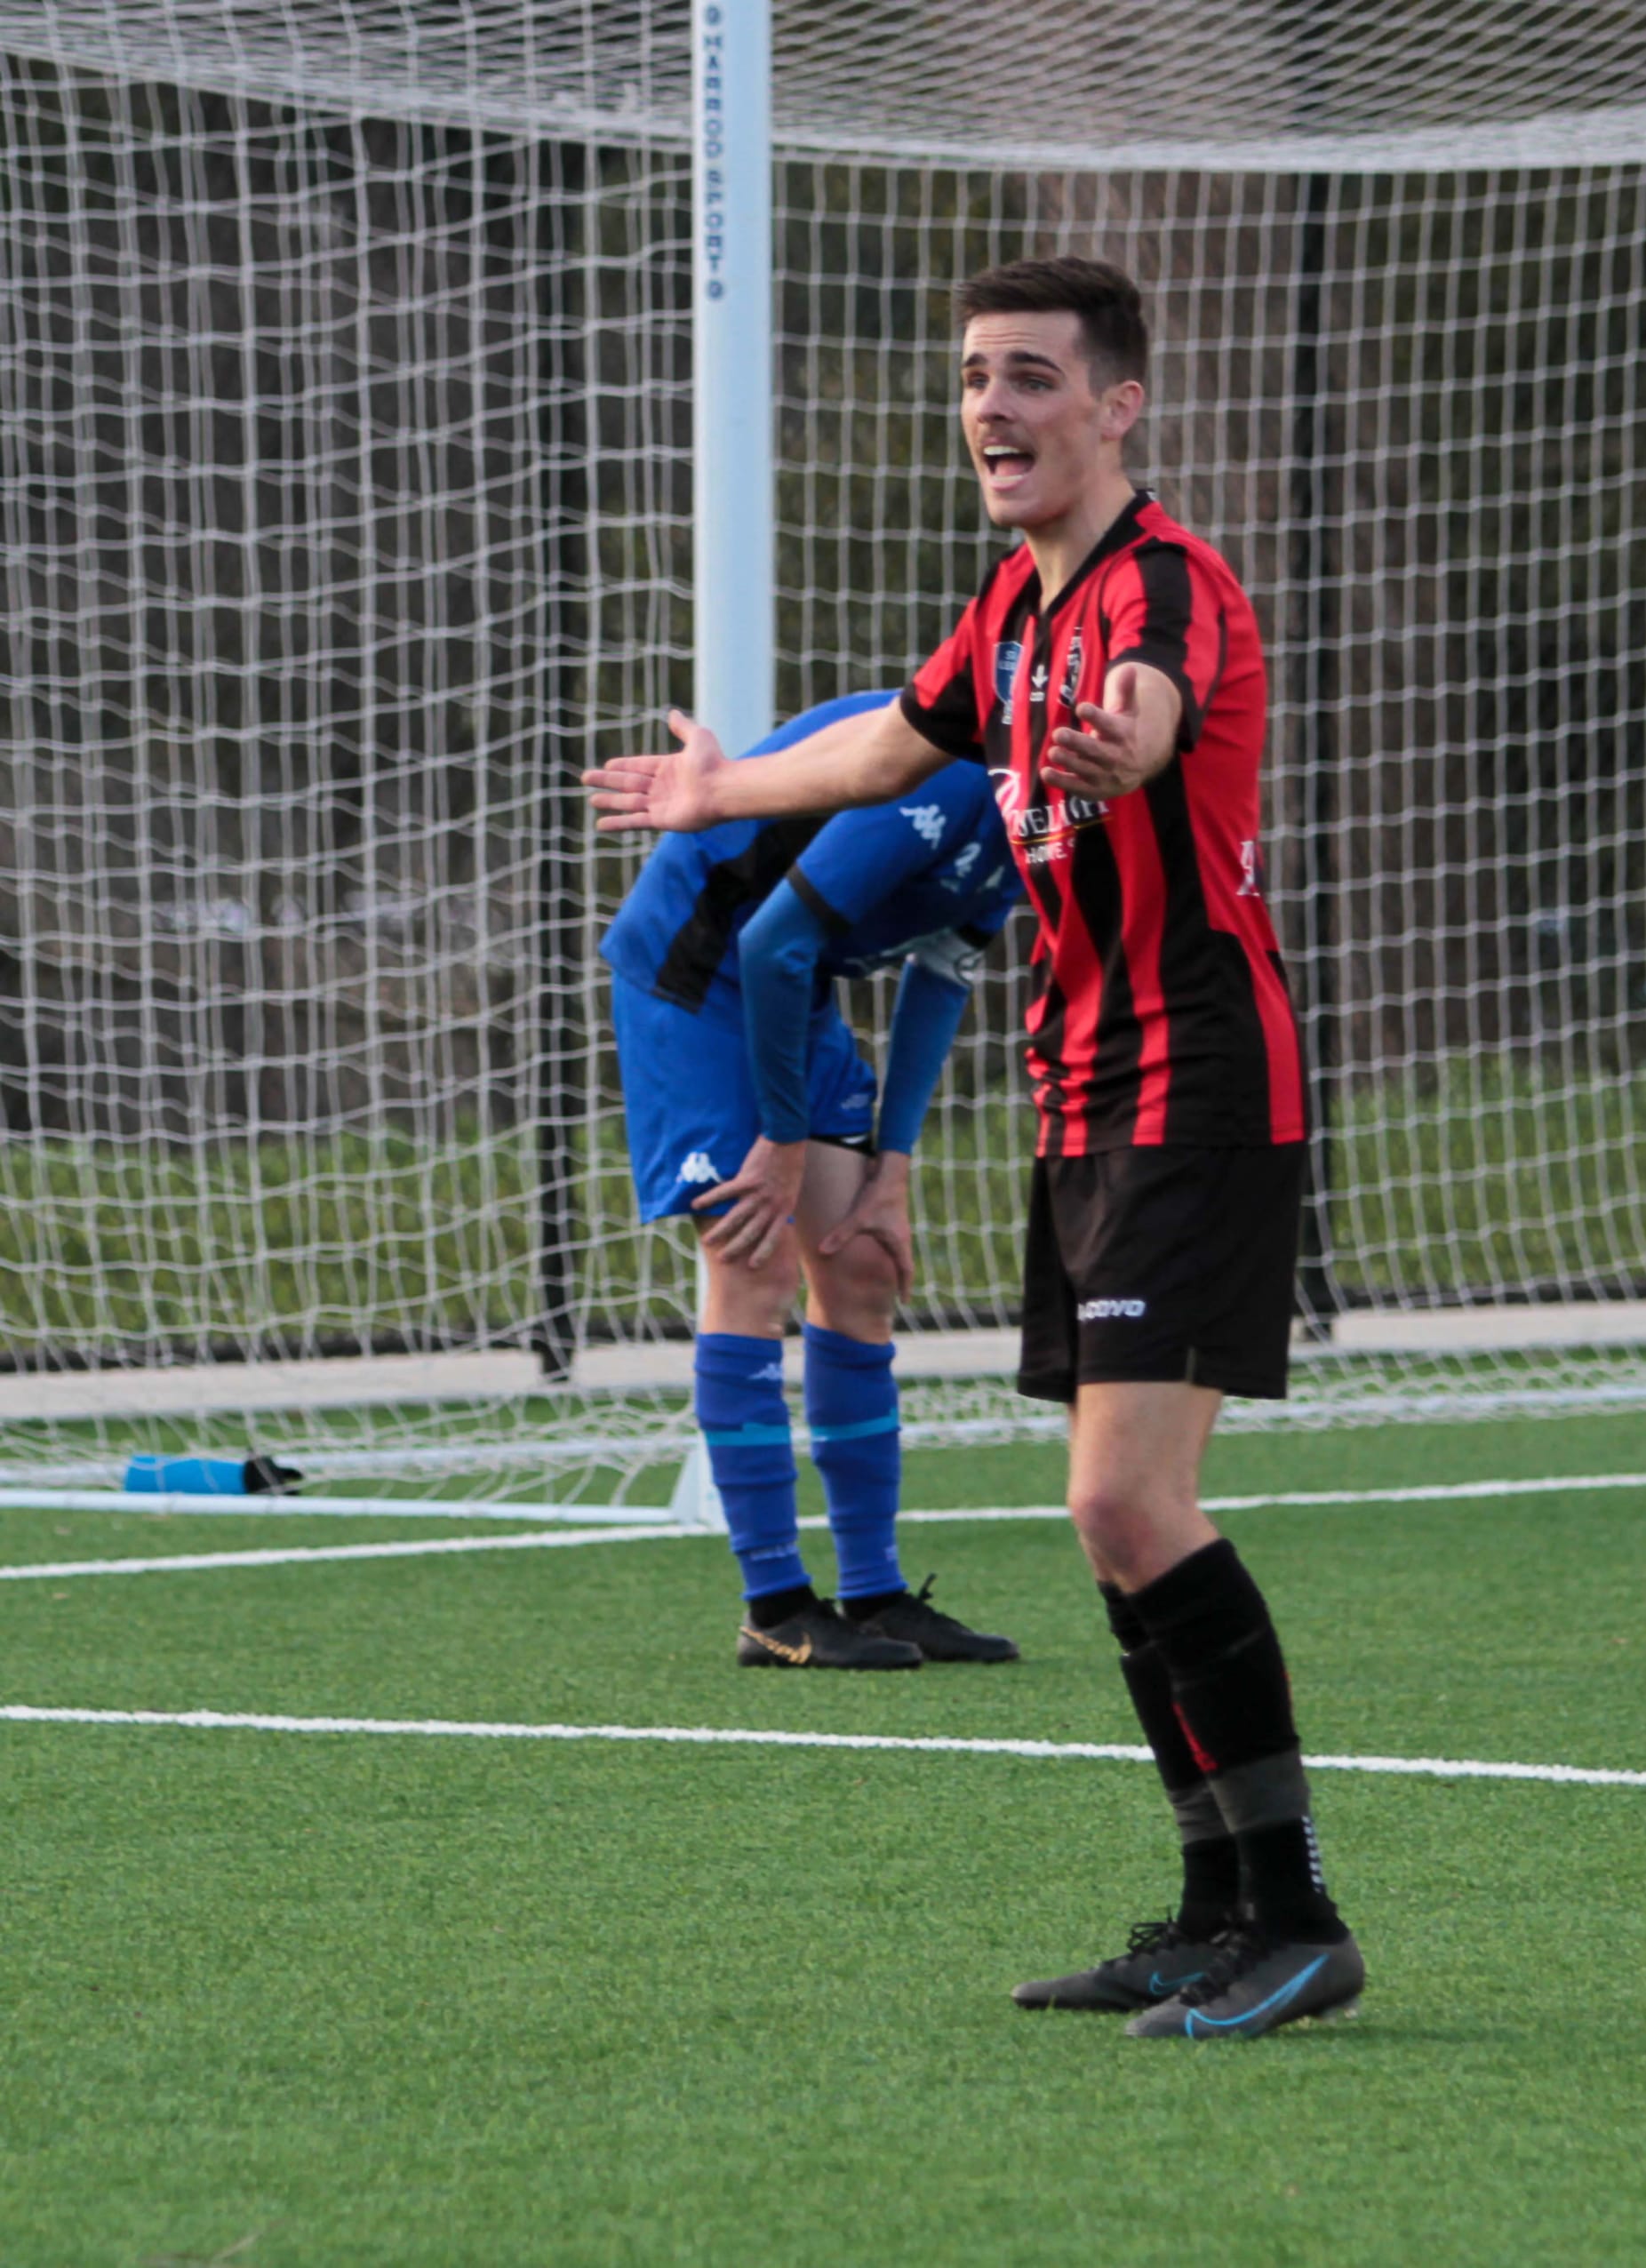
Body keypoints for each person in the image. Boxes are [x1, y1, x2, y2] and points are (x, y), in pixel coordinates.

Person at [586, 257, 1362, 2039]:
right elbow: (879, 748)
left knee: (1121, 1500)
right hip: (1086, 1092)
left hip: (1199, 1082)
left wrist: (1116, 753)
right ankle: (1205, 1909)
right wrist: (720, 795)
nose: (994, 410)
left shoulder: (1166, 584)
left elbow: (1155, 708)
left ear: (1117, 406)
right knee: (1110, 1527)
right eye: (974, 378)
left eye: (1032, 377)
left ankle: (1298, 1916)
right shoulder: (1011, 605)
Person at [600, 688, 1023, 1672]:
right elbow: (763, 939)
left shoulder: (1036, 816)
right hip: (698, 976)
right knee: (754, 1263)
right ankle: (774, 1603)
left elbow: (940, 978)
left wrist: (893, 1170)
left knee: (862, 1263)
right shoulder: (943, 773)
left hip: (793, 988)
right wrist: (784, 1146)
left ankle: (873, 1591)